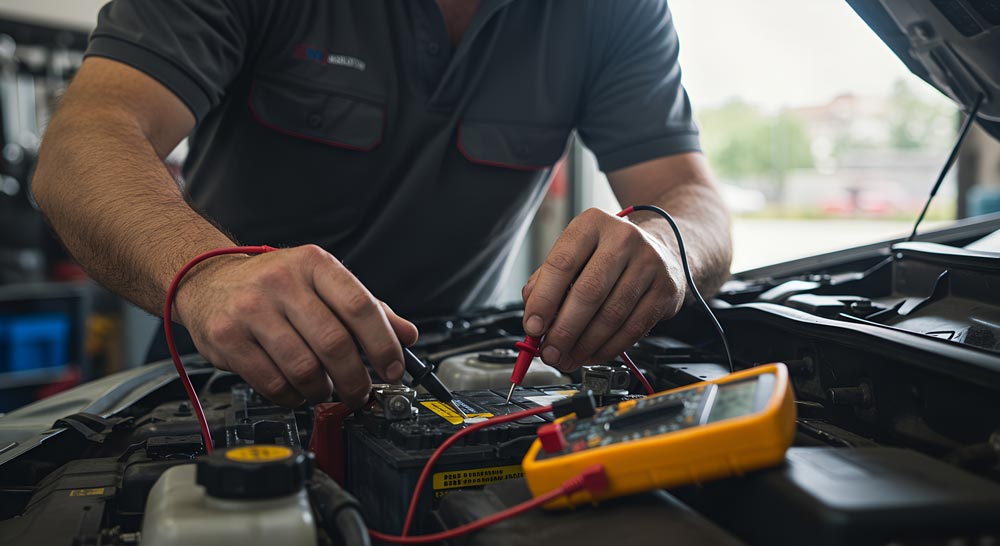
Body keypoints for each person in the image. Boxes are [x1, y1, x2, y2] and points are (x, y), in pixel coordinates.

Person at [32, 0, 732, 409]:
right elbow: (82, 143)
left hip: (454, 384)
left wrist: (665, 244)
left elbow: (692, 200)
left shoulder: (614, 13)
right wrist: (208, 273)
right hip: (227, 382)